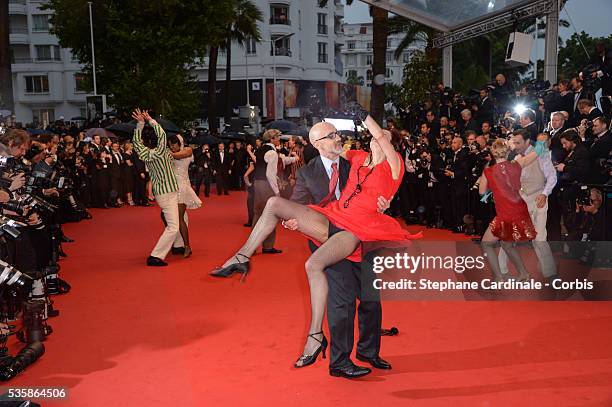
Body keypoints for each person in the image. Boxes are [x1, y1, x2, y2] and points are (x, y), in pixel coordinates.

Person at [210, 107, 421, 375]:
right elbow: (327, 161)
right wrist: (295, 222)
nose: (377, 140)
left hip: (361, 230)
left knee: (369, 299)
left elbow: (377, 138)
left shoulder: (392, 165)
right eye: (330, 137)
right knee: (276, 205)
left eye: (384, 139)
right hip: (332, 221)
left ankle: (359, 348)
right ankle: (241, 258)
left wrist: (365, 117)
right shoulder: (355, 159)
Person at [478, 139, 543, 282]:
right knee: (506, 244)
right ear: (508, 151)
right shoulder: (517, 164)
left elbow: (481, 192)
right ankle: (524, 274)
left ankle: (498, 277)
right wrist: (541, 143)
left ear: (493, 153)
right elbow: (536, 153)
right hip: (519, 208)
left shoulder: (488, 171)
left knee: (486, 243)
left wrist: (493, 188)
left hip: (505, 212)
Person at [498, 130, 557, 281]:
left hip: (538, 198)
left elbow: (552, 177)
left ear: (527, 141)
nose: (515, 145)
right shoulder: (514, 156)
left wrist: (544, 194)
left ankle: (550, 274)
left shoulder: (542, 153)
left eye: (518, 142)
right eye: (514, 142)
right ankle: (500, 271)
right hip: (519, 199)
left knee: (539, 238)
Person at [131, 109, 180, 267]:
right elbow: (163, 135)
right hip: (167, 192)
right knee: (173, 227)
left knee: (174, 224)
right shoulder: (159, 153)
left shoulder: (145, 153)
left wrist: (140, 124)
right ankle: (156, 256)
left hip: (163, 192)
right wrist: (151, 120)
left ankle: (172, 248)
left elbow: (136, 143)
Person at [168, 134, 202, 258]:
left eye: (173, 144)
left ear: (180, 143)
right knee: (168, 216)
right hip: (171, 188)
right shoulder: (170, 152)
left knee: (179, 217)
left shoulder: (187, 151)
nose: (171, 146)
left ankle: (187, 246)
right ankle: (176, 242)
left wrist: (167, 153)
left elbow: (180, 155)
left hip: (181, 188)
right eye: (170, 144)